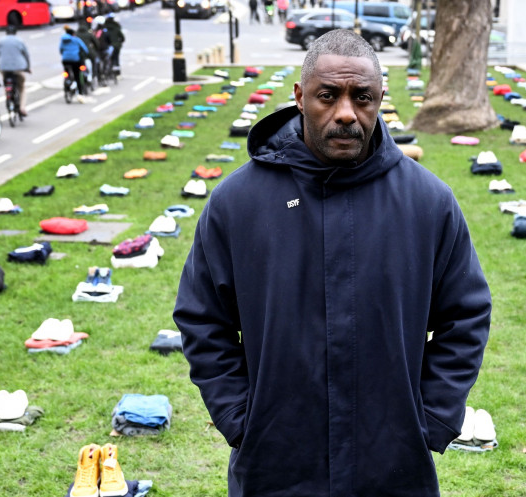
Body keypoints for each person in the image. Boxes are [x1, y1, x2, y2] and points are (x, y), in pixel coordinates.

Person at [174, 29, 491, 496]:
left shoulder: (428, 202)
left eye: (362, 97)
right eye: (328, 96)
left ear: (381, 98)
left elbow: (466, 315)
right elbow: (202, 319)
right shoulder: (237, 202)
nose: (346, 113)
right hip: (273, 465)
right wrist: (241, 420)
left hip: (394, 467)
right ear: (300, 97)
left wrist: (430, 420)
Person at [0, 24, 30, 117]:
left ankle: (8, 94)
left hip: (4, 68)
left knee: (6, 82)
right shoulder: (19, 40)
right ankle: (22, 107)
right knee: (22, 86)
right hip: (18, 68)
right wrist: (28, 68)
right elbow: (26, 54)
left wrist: (0, 66)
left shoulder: (1, 41)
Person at [59, 26, 89, 96]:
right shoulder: (76, 40)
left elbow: (60, 50)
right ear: (73, 34)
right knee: (77, 76)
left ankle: (67, 82)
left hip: (65, 60)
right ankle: (80, 92)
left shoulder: (63, 40)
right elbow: (85, 49)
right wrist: (84, 55)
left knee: (67, 72)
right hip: (75, 60)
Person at [75, 21, 99, 87]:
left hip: (79, 54)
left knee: (78, 65)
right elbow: (96, 43)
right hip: (89, 53)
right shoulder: (89, 34)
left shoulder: (76, 34)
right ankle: (94, 75)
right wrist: (96, 49)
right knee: (94, 62)